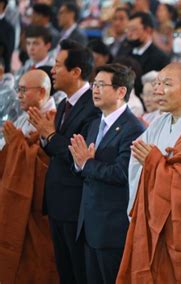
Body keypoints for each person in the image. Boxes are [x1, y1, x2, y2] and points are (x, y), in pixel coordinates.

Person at [117, 63, 181, 283]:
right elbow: (137, 160)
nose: (158, 90)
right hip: (156, 221)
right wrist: (153, 163)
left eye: (167, 84)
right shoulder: (159, 122)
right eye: (158, 83)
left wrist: (154, 163)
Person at [28, 39, 101, 284]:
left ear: (76, 71)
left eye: (58, 65)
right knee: (64, 271)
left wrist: (50, 135)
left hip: (75, 203)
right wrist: (44, 138)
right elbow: (55, 149)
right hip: (58, 202)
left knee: (79, 271)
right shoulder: (64, 104)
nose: (52, 70)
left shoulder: (92, 106)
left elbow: (75, 153)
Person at [69, 64, 145, 284]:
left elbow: (123, 173)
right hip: (89, 224)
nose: (95, 90)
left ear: (121, 91)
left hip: (112, 228)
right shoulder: (95, 124)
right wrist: (79, 164)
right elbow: (84, 166)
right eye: (94, 84)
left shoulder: (133, 128)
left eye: (102, 85)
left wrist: (87, 164)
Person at [0, 69, 58, 283]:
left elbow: (45, 161)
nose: (19, 95)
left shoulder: (53, 118)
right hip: (18, 197)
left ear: (42, 92)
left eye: (24, 90)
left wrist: (16, 144)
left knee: (37, 263)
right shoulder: (26, 117)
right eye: (18, 90)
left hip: (38, 206)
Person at [117, 12, 170, 96]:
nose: (129, 34)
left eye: (133, 29)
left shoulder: (160, 58)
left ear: (148, 30)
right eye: (128, 29)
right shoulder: (123, 51)